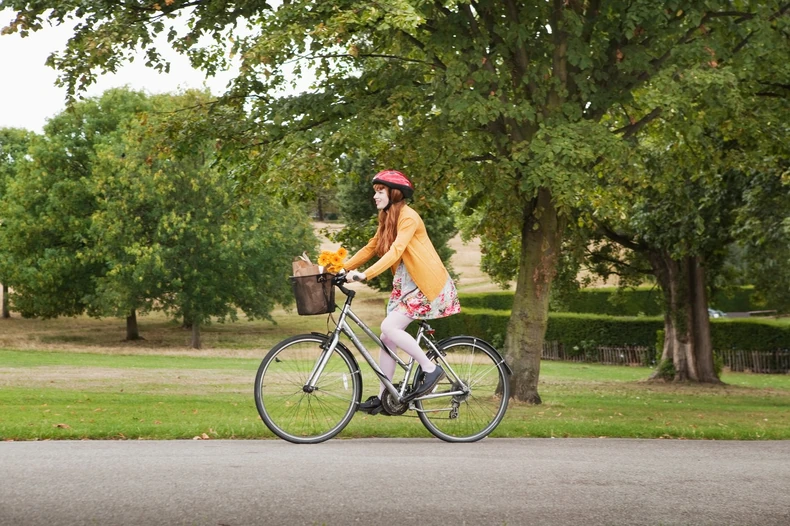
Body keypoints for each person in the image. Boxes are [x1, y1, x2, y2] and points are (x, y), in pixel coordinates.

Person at [344, 170, 461, 414]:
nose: (375, 196)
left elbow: (396, 250)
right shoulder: (387, 218)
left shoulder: (409, 217)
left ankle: (430, 369)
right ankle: (384, 396)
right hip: (406, 284)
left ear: (394, 193)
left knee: (389, 328)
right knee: (387, 337)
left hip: (426, 284)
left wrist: (365, 275)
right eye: (375, 191)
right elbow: (372, 247)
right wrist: (340, 268)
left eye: (380, 191)